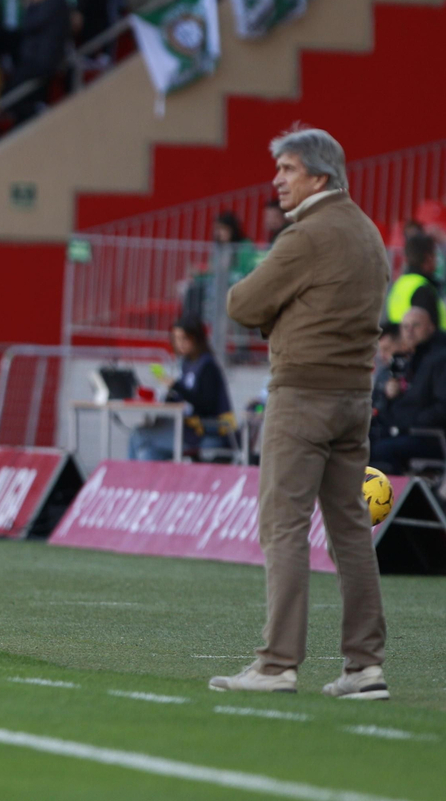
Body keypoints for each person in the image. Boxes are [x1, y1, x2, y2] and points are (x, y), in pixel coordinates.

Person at [214, 127, 390, 700]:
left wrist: (276, 319)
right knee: (351, 532)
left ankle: (276, 664)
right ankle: (365, 665)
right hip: (352, 398)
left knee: (283, 526)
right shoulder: (367, 232)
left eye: (287, 169)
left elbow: (242, 302)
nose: (277, 180)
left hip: (301, 397)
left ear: (318, 176)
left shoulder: (308, 235)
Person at [127, 319, 235, 462]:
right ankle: (143, 484)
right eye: (176, 339)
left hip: (204, 431)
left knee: (138, 435)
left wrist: (176, 386)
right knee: (148, 452)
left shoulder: (208, 366)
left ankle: (127, 481)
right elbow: (185, 397)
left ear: (196, 338)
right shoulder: (187, 364)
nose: (180, 343)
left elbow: (206, 405)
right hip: (188, 429)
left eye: (184, 338)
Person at [370, 307, 446, 474]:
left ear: (430, 327)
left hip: (429, 437)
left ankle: (397, 497)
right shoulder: (408, 360)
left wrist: (409, 423)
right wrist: (389, 396)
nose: (410, 332)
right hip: (403, 433)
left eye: (416, 326)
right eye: (405, 327)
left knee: (378, 451)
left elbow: (441, 408)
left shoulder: (439, 359)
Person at [385, 232, 444, 327]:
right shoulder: (423, 289)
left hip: (401, 340)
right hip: (421, 341)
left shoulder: (400, 284)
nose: (436, 260)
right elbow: (428, 332)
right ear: (428, 258)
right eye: (434, 255)